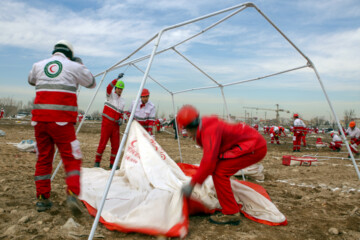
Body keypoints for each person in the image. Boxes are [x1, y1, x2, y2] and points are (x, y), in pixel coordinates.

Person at [28, 40, 96, 214]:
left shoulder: (38, 65)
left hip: (39, 121)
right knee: (71, 157)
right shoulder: (74, 66)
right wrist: (79, 64)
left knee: (43, 158)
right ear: (70, 54)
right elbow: (91, 82)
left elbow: (31, 80)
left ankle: (42, 199)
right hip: (62, 122)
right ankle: (72, 193)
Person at [178, 105, 267, 225]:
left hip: (254, 147)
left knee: (220, 173)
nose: (188, 135)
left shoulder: (209, 131)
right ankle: (229, 207)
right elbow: (211, 159)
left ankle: (231, 213)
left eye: (186, 131)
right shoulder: (205, 126)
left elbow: (208, 161)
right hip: (251, 144)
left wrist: (192, 184)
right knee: (218, 171)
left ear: (189, 127)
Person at [94, 74, 125, 169]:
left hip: (116, 126)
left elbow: (121, 114)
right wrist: (117, 78)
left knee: (116, 146)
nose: (119, 90)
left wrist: (121, 119)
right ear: (115, 88)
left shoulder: (123, 101)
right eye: (118, 88)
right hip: (107, 124)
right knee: (102, 143)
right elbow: (108, 87)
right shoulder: (110, 95)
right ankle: (97, 162)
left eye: (121, 89)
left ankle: (113, 164)